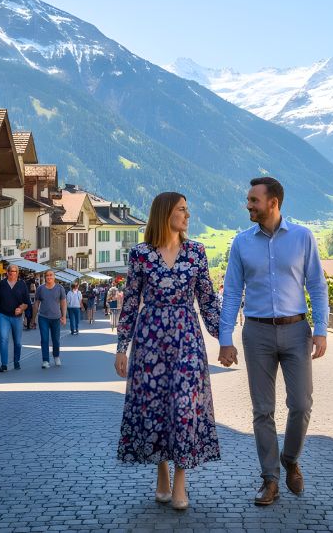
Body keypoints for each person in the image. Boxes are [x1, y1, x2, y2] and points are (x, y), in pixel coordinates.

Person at [219, 177, 328, 506]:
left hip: (297, 331)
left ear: (273, 203)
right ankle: (270, 480)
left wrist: (321, 330)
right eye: (248, 200)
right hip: (257, 333)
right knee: (262, 410)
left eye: (253, 200)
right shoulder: (240, 243)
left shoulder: (302, 237)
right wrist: (226, 339)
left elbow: (317, 286)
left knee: (301, 405)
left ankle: (290, 458)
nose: (248, 205)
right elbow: (231, 294)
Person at [114, 191, 220, 511]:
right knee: (155, 408)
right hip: (150, 340)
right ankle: (162, 472)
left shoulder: (196, 253)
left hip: (187, 337)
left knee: (184, 408)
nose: (188, 216)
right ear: (165, 214)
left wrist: (224, 337)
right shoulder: (141, 255)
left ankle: (181, 481)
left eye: (187, 210)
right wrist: (122, 347)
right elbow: (131, 303)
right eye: (182, 210)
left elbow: (208, 301)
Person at [0, 265, 30, 372]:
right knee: (3, 339)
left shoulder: (22, 285)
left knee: (17, 341)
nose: (12, 273)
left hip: (17, 317)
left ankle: (16, 361)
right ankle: (4, 364)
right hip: (3, 315)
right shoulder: (2, 284)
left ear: (17, 273)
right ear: (7, 273)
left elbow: (27, 302)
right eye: (10, 271)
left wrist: (21, 309)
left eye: (14, 271)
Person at [35, 269, 66, 368]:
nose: (49, 277)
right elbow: (36, 303)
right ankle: (45, 360)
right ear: (45, 277)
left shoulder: (59, 288)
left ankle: (56, 356)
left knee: (56, 340)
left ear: (54, 277)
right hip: (43, 317)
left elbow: (63, 302)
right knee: (44, 339)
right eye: (47, 275)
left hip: (56, 318)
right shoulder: (40, 289)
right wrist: (33, 318)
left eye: (51, 275)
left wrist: (64, 316)